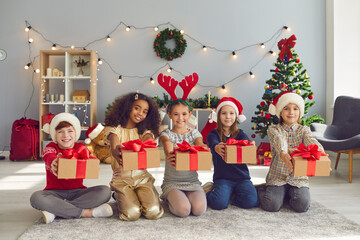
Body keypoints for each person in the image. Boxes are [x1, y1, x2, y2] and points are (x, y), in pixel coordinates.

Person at [30, 113, 113, 224]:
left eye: (70, 131)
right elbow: (48, 156)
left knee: (105, 191)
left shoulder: (81, 148)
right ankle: (86, 213)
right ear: (55, 134)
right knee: (36, 198)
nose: (65, 135)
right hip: (54, 193)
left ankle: (56, 211)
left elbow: (91, 159)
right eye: (60, 132)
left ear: (76, 133)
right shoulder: (51, 147)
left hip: (78, 192)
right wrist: (53, 161)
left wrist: (91, 162)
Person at [257, 91, 324, 212]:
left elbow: (311, 141)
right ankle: (262, 189)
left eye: (295, 109)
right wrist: (283, 153)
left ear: (300, 112)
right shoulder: (273, 129)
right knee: (271, 205)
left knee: (302, 206)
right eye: (286, 108)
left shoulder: (304, 130)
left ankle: (287, 195)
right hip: (278, 177)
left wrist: (322, 155)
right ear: (280, 112)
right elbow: (279, 141)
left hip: (298, 178)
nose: (291, 112)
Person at [104, 92, 164, 221]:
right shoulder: (114, 129)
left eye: (144, 111)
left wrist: (149, 141)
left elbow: (149, 137)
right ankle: (119, 194)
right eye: (137, 108)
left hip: (142, 177)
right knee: (132, 214)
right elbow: (114, 140)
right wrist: (116, 150)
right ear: (128, 107)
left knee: (153, 212)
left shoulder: (144, 131)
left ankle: (141, 196)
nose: (140, 113)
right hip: (121, 178)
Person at [158, 72, 207, 217]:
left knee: (199, 210)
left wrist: (203, 148)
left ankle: (201, 191)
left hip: (192, 182)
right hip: (172, 183)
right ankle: (168, 198)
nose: (180, 118)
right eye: (176, 114)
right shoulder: (166, 134)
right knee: (183, 211)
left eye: (184, 114)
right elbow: (166, 143)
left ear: (190, 114)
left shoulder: (194, 133)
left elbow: (199, 142)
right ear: (170, 115)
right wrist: (169, 152)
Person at [205, 97, 258, 210]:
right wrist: (216, 147)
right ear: (218, 116)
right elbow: (212, 142)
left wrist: (251, 146)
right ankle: (209, 191)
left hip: (242, 177)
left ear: (236, 116)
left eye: (231, 113)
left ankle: (232, 196)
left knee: (251, 201)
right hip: (223, 178)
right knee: (218, 204)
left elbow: (247, 144)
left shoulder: (240, 134)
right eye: (224, 113)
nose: (228, 116)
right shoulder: (213, 134)